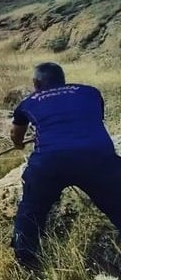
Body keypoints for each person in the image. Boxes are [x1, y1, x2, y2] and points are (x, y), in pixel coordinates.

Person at [8, 62, 120, 268]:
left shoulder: (28, 103)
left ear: (36, 83)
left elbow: (16, 134)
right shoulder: (90, 92)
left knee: (31, 208)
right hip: (98, 156)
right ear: (63, 79)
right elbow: (94, 119)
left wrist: (19, 144)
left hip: (50, 162)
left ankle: (26, 259)